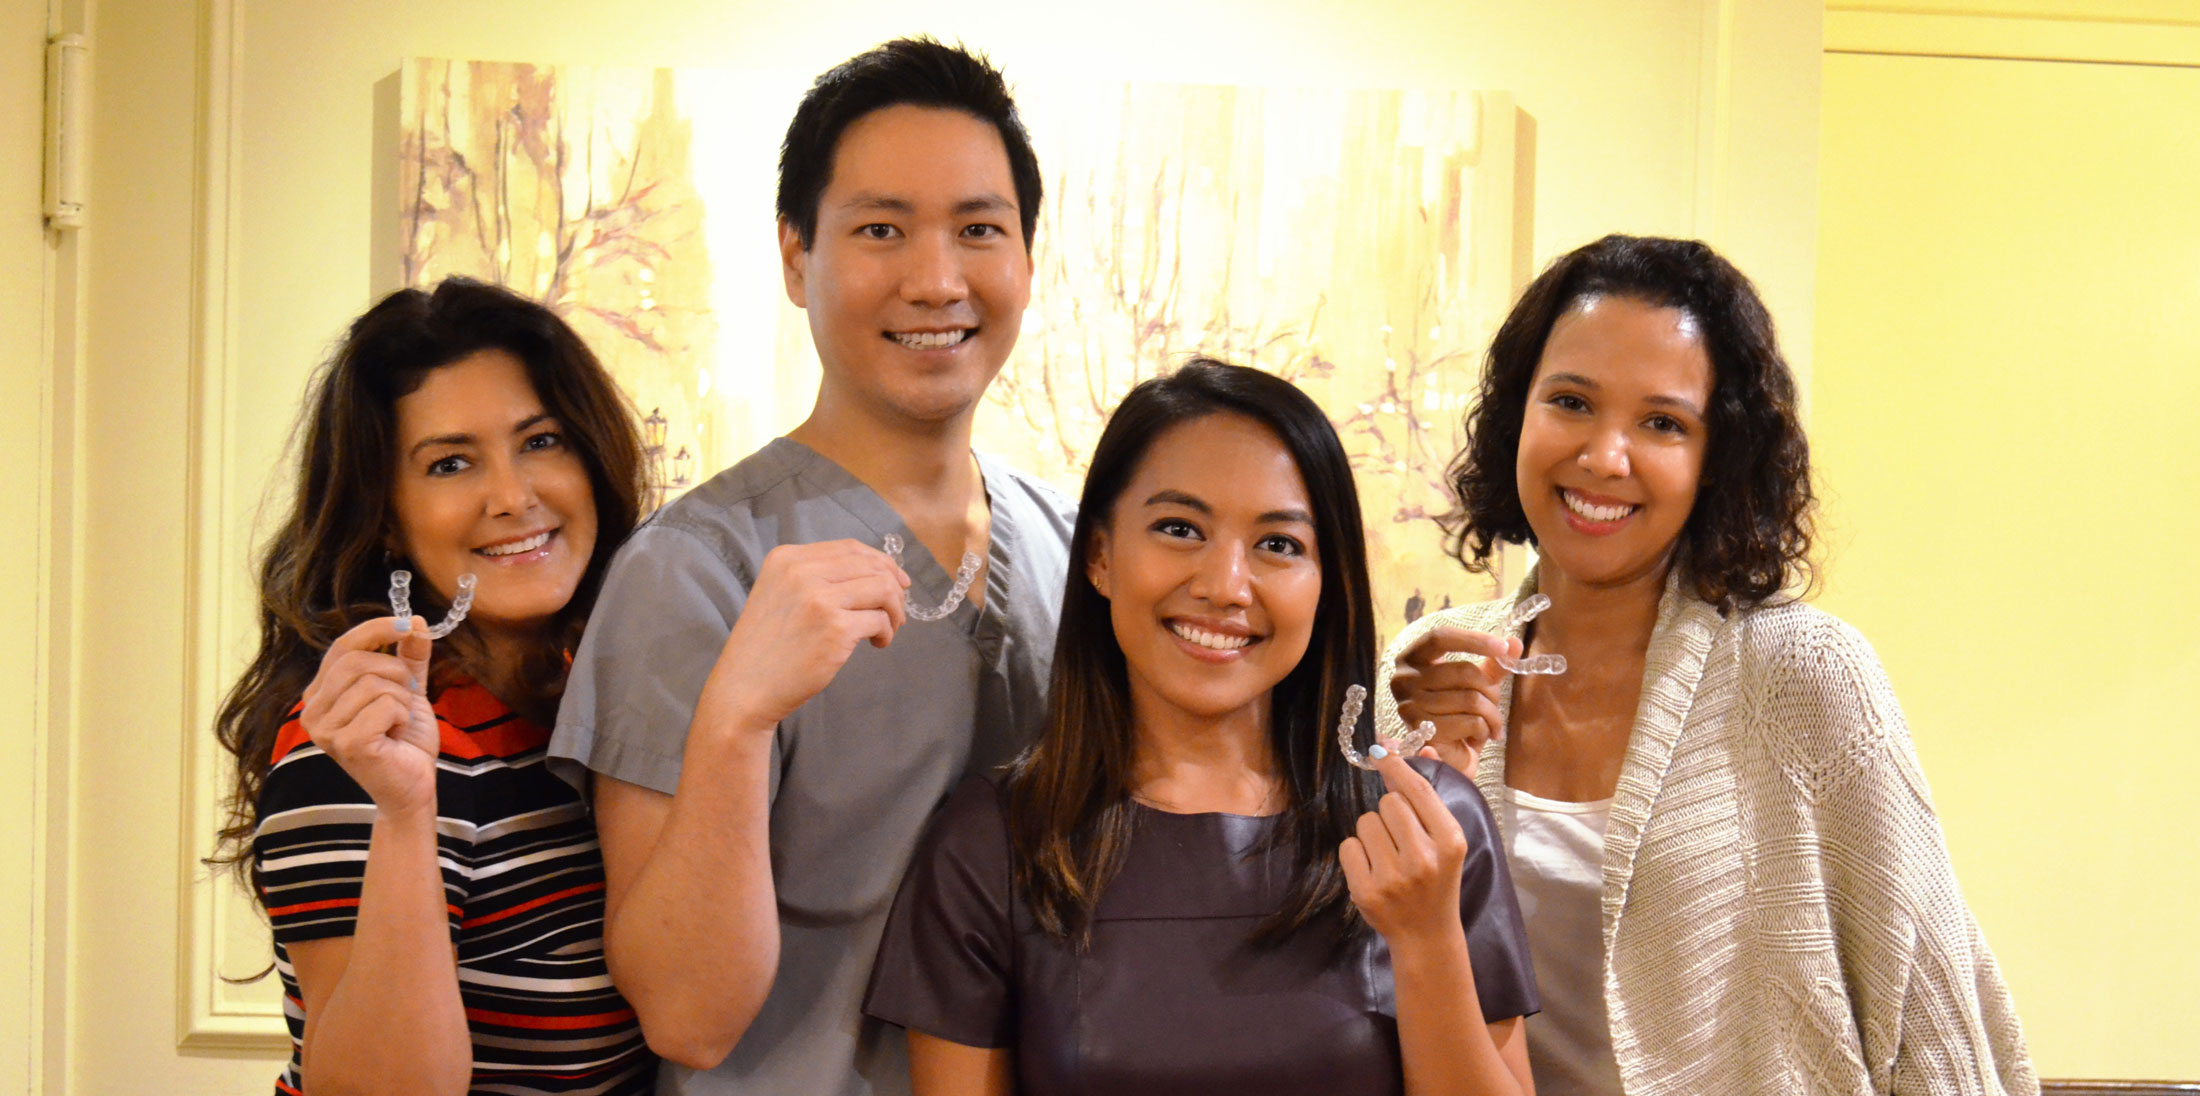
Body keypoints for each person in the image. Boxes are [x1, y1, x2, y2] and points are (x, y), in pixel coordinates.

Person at [1375, 234, 2036, 1095]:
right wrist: (1426, 768)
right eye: (1571, 401)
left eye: (1661, 423)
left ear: (1715, 456)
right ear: (1517, 415)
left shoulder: (1804, 674)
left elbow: (1927, 1003)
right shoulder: (1425, 676)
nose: (1605, 456)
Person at [546, 38, 1074, 1094]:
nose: (936, 279)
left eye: (979, 229)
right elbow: (686, 1015)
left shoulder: (1075, 545)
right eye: (881, 229)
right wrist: (736, 719)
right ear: (797, 258)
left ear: (1027, 256)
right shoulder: (694, 571)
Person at [866, 360, 1540, 1096]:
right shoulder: (991, 843)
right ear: (1099, 555)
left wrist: (1428, 940)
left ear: (1329, 581)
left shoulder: (1426, 826)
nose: (1225, 585)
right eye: (1179, 529)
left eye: (1278, 544)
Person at [211, 277, 657, 1094]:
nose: (513, 497)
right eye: (451, 463)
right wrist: (407, 813)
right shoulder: (352, 747)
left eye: (541, 441)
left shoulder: (588, 698)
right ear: (386, 515)